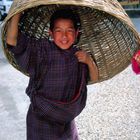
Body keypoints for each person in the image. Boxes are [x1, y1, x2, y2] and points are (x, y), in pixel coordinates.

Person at [6, 8, 98, 140]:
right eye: (59, 31)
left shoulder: (79, 56)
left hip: (66, 121)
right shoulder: (42, 50)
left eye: (70, 31)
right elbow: (12, 41)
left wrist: (89, 61)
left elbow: (93, 78)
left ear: (77, 33)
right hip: (40, 121)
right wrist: (18, 12)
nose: (64, 36)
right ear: (51, 33)